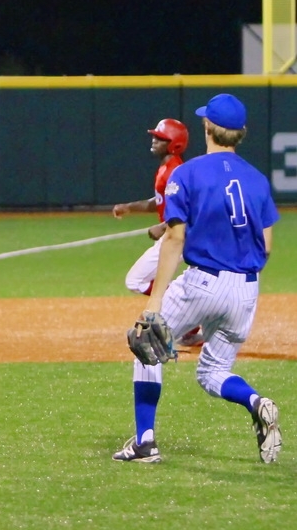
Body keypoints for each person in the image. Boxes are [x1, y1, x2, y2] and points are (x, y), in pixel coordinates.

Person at [112, 93, 281, 464]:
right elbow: (266, 247)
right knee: (214, 372)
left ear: (207, 127)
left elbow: (175, 237)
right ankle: (256, 402)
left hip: (202, 281)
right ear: (241, 134)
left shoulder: (187, 173)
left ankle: (145, 443)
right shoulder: (257, 180)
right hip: (247, 289)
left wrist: (154, 301)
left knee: (146, 345)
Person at [112, 118, 202, 347]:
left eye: (161, 138)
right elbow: (160, 201)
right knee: (143, 280)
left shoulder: (177, 170)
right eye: (155, 136)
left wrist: (163, 226)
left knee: (136, 279)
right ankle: (191, 326)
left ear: (175, 144)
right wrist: (130, 207)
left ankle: (187, 313)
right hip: (174, 233)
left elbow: (192, 205)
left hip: (178, 234)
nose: (154, 140)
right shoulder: (166, 168)